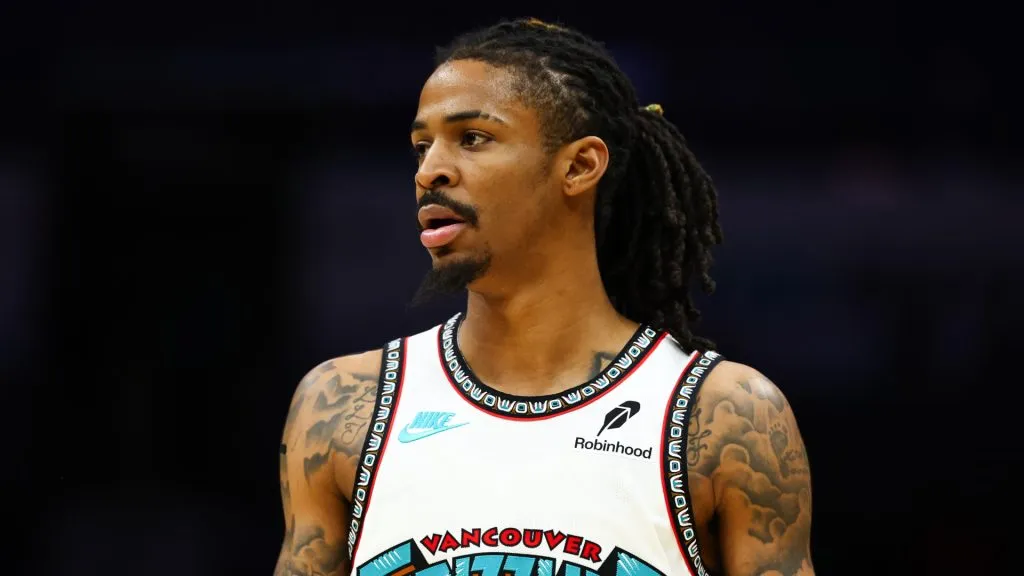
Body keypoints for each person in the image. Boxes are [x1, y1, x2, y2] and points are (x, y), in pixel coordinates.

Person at [275, 17, 814, 576]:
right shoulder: (341, 406)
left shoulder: (726, 416)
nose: (430, 171)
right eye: (420, 146)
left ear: (579, 166)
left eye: (472, 138)